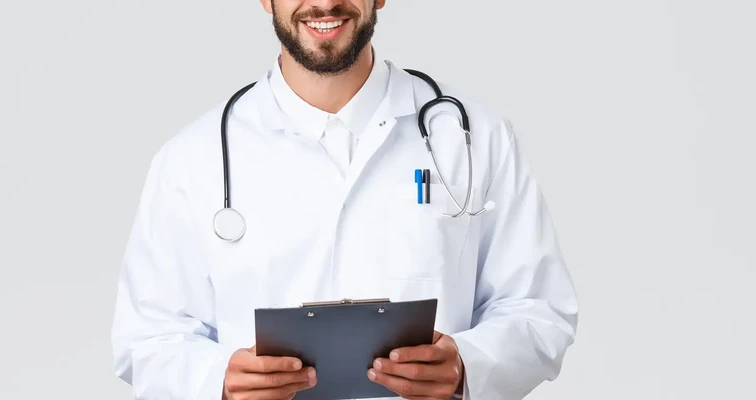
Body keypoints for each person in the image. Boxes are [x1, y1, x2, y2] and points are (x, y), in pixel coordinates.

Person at [110, 1, 579, 399]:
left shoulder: (475, 138)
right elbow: (147, 337)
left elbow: (539, 309)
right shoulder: (192, 159)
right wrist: (218, 380)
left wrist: (468, 366)